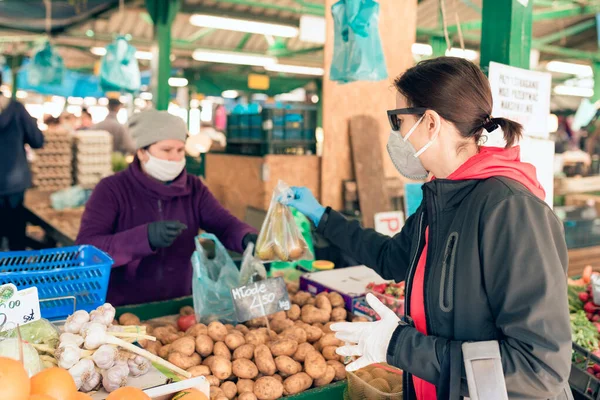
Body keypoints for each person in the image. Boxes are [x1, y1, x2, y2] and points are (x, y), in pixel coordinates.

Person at [286, 57, 571, 399]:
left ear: (431, 123)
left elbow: (538, 370)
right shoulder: (441, 197)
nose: (396, 134)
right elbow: (392, 257)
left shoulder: (511, 210)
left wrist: (403, 346)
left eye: (399, 121)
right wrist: (322, 216)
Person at [76, 109, 257, 306]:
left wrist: (246, 237)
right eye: (166, 150)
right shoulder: (111, 190)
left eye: (180, 150)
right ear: (142, 152)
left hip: (179, 304)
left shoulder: (194, 188)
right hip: (124, 306)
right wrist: (144, 238)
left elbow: (224, 224)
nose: (175, 158)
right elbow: (87, 248)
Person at [0, 71, 44, 251]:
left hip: (13, 185)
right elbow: (37, 140)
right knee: (16, 241)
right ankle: (15, 278)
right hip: (14, 187)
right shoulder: (16, 109)